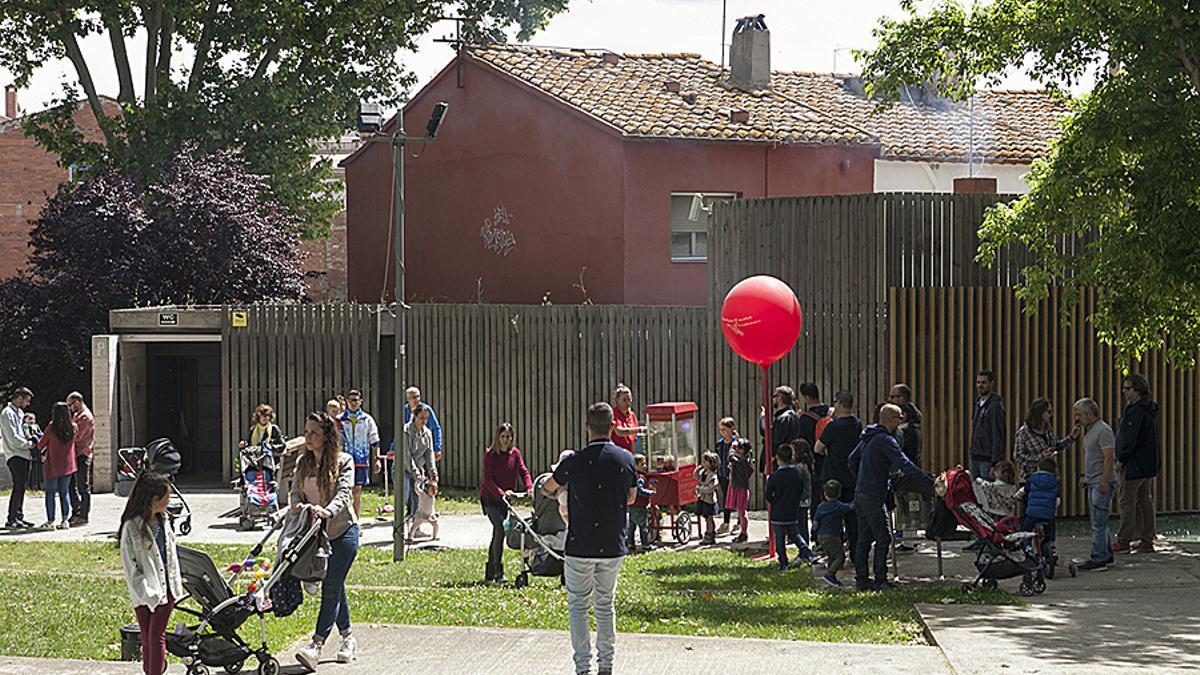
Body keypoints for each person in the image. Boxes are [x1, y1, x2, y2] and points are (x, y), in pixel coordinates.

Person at [541, 402, 637, 675]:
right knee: (605, 605)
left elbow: (548, 488)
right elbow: (631, 497)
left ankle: (582, 667)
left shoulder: (574, 462)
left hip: (580, 544)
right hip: (612, 543)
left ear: (587, 427)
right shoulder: (626, 459)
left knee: (579, 606)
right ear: (613, 426)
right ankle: (606, 664)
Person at [293, 411, 360, 670]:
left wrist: (328, 510)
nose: (308, 437)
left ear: (327, 436)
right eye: (306, 432)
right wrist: (297, 507)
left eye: (314, 433)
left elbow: (344, 493)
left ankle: (316, 645)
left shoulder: (344, 461)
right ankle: (348, 638)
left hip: (343, 532)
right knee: (335, 584)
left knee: (331, 585)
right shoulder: (303, 462)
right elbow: (295, 494)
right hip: (315, 535)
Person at [849, 404, 933, 591]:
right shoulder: (886, 440)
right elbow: (904, 463)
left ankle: (861, 579)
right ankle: (880, 579)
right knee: (884, 537)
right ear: (890, 420)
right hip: (873, 495)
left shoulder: (867, 437)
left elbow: (851, 460)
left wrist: (864, 477)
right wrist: (927, 480)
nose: (901, 421)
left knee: (864, 537)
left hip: (861, 492)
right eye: (899, 417)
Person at [119, 472, 184, 675]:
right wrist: (148, 594)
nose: (170, 500)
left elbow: (171, 557)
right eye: (167, 496)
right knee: (147, 637)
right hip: (145, 592)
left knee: (156, 636)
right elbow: (131, 568)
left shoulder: (165, 521)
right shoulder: (132, 527)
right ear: (155, 499)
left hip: (167, 590)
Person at [479, 421, 532, 582]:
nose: (505, 440)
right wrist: (501, 492)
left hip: (505, 501)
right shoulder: (490, 455)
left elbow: (523, 471)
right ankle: (498, 570)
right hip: (490, 498)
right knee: (500, 530)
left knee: (497, 533)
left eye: (508, 437)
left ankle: (490, 570)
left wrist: (529, 487)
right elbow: (488, 479)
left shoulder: (515, 453)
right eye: (502, 436)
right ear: (498, 437)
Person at [1114, 374, 1160, 554]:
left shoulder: (1135, 411)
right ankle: (1147, 539)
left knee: (1127, 501)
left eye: (1128, 388)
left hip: (1135, 463)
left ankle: (1124, 540)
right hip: (1148, 463)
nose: (1124, 392)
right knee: (1144, 500)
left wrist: (1122, 459)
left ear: (1138, 391)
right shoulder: (1150, 410)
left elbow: (1130, 439)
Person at [815, 391, 863, 561]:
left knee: (831, 519)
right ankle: (856, 554)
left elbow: (818, 448)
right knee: (853, 519)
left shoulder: (833, 426)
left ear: (840, 404)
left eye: (835, 402)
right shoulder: (857, 424)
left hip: (833, 476)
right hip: (851, 476)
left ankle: (833, 556)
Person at [1074, 398, 1117, 570]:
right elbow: (1093, 458)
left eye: (1079, 414)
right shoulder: (1091, 430)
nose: (1077, 418)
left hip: (1100, 481)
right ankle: (1106, 555)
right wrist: (1085, 476)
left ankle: (1098, 558)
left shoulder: (1103, 431)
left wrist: (1103, 481)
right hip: (1093, 480)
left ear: (1089, 414)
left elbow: (1108, 457)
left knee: (1098, 523)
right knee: (1100, 521)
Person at [765, 442, 817, 570]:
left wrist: (774, 501)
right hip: (792, 510)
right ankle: (807, 552)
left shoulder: (774, 476)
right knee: (795, 535)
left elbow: (768, 494)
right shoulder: (796, 474)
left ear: (778, 459)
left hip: (778, 511)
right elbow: (800, 489)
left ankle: (783, 563)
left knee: (780, 539)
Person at [1013, 398, 1080, 481]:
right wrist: (1040, 457)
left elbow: (1056, 446)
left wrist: (1071, 437)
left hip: (1050, 476)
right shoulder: (1023, 433)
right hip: (1031, 479)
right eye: (1048, 412)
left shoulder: (1047, 428)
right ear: (1039, 413)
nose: (1051, 414)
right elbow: (1018, 456)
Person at [1017, 456, 1061, 577]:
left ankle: (1027, 547)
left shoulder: (1032, 479)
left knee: (1025, 530)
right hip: (1048, 514)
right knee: (1049, 531)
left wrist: (1016, 497)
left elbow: (1023, 491)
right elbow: (1057, 500)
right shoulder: (1054, 481)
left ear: (1038, 468)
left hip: (1032, 513)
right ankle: (1050, 546)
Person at [36, 402, 77, 530]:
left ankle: (50, 521)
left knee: (50, 493)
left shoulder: (51, 427)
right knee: (64, 492)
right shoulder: (74, 427)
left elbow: (41, 444)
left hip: (52, 463)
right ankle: (65, 520)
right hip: (68, 464)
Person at [339, 390, 379, 517]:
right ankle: (345, 521)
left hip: (360, 459)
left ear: (360, 402)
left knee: (357, 491)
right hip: (343, 460)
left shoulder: (367, 419)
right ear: (347, 402)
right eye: (351, 400)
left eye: (356, 400)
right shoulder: (340, 420)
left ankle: (356, 521)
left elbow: (375, 440)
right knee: (344, 490)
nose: (353, 403)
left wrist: (377, 459)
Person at [797, 382, 832, 525]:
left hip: (815, 462)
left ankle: (817, 532)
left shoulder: (805, 419)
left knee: (816, 499)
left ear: (806, 397)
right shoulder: (832, 413)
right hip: (832, 461)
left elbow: (803, 444)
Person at [3, 387, 35, 529]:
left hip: (24, 454)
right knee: (18, 486)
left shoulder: (19, 412)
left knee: (22, 487)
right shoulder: (7, 413)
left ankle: (19, 516)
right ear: (19, 398)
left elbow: (23, 431)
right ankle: (12, 518)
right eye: (26, 400)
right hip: (15, 454)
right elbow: (13, 437)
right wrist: (28, 445)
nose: (27, 404)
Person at [814, 479, 854, 587]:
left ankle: (832, 580)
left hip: (821, 536)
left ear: (824, 493)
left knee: (831, 556)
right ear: (839, 493)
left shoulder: (820, 507)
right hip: (833, 536)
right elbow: (850, 507)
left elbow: (815, 522)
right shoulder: (839, 505)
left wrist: (815, 533)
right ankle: (830, 574)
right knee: (840, 557)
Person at [969, 370, 1007, 480]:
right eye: (978, 382)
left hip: (987, 459)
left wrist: (995, 462)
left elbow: (998, 435)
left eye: (984, 382)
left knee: (986, 493)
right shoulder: (978, 403)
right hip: (975, 457)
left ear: (991, 383)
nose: (980, 385)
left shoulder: (995, 406)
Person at [66, 393, 94, 526]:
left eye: (70, 405)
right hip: (74, 454)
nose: (70, 408)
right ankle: (76, 512)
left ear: (77, 402)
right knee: (71, 485)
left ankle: (84, 516)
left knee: (83, 486)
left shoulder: (85, 417)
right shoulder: (77, 415)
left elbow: (77, 437)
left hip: (82, 454)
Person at [759, 385, 802, 470]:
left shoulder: (784, 418)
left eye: (775, 396)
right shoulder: (793, 416)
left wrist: (763, 417)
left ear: (780, 398)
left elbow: (773, 440)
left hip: (778, 463)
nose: (773, 399)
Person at [713, 417, 742, 535]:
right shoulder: (719, 444)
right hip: (722, 474)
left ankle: (740, 522)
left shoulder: (737, 443)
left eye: (725, 429)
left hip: (735, 475)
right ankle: (726, 523)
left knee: (739, 498)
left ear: (732, 429)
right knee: (726, 498)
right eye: (721, 430)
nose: (723, 432)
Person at [403, 387, 444, 462]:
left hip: (422, 443)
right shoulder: (405, 410)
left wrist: (437, 448)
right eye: (413, 397)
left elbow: (436, 427)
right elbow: (400, 429)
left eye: (418, 396)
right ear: (408, 399)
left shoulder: (426, 409)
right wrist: (393, 448)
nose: (416, 399)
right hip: (408, 443)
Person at [725, 438, 754, 544]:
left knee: (742, 512)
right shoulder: (743, 460)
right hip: (737, 486)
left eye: (738, 447)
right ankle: (743, 531)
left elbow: (730, 457)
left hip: (741, 488)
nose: (735, 448)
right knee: (740, 511)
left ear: (743, 450)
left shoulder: (742, 461)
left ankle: (744, 533)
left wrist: (732, 445)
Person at [627, 453, 655, 552]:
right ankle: (645, 545)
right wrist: (650, 493)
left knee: (631, 526)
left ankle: (630, 543)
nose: (645, 466)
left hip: (631, 505)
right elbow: (640, 491)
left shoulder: (631, 475)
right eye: (642, 464)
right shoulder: (639, 478)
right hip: (640, 505)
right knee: (643, 526)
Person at [792, 440, 816, 545]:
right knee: (801, 525)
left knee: (800, 526)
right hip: (803, 500)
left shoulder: (800, 468)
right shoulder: (805, 465)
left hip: (800, 500)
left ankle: (804, 549)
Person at [694, 451, 720, 544]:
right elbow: (696, 477)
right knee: (705, 517)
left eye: (705, 462)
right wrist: (697, 469)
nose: (703, 464)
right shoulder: (703, 472)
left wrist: (701, 489)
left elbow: (711, 488)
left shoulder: (713, 476)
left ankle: (710, 534)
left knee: (709, 517)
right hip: (703, 498)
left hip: (709, 500)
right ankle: (709, 533)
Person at [611, 384, 645, 454]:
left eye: (629, 399)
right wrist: (640, 429)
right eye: (624, 400)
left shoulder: (632, 415)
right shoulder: (614, 414)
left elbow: (634, 440)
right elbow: (619, 432)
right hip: (617, 453)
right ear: (616, 400)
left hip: (629, 454)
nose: (628, 403)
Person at [22, 412, 43, 491]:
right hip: (32, 446)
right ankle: (32, 484)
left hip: (37, 445)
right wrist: (32, 438)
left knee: (38, 465)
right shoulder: (26, 426)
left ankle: (38, 484)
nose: (32, 421)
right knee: (33, 465)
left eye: (34, 419)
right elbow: (27, 435)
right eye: (30, 419)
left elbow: (41, 433)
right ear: (25, 420)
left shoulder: (36, 426)